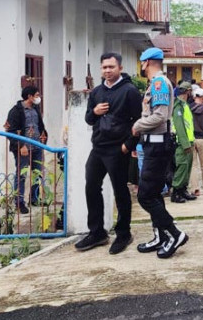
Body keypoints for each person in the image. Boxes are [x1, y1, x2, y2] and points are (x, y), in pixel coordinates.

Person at [75, 53, 142, 254]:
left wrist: (128, 145)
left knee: (120, 191)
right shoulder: (96, 92)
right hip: (98, 147)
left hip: (117, 148)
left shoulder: (129, 91)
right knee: (91, 186)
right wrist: (94, 112)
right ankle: (97, 232)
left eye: (111, 67)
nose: (107, 71)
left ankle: (124, 233)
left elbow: (138, 121)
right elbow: (88, 119)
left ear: (119, 68)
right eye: (104, 67)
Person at [131, 47, 188, 258]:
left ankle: (174, 233)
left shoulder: (159, 83)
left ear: (146, 62)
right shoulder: (155, 84)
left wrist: (137, 125)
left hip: (156, 146)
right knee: (153, 194)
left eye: (142, 62)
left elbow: (160, 116)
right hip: (152, 144)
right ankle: (160, 235)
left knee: (145, 196)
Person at [5, 85, 48, 214]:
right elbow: (10, 131)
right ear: (29, 96)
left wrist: (43, 139)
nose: (38, 97)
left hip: (37, 146)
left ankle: (34, 198)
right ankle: (19, 202)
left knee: (37, 172)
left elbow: (39, 126)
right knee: (21, 174)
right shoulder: (16, 111)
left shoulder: (36, 108)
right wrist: (21, 145)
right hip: (23, 148)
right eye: (37, 95)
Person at [171, 82, 195, 203]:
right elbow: (179, 126)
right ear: (186, 92)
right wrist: (185, 144)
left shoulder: (185, 105)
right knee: (182, 167)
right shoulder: (178, 106)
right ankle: (176, 192)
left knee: (187, 167)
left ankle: (183, 190)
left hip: (189, 141)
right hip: (181, 143)